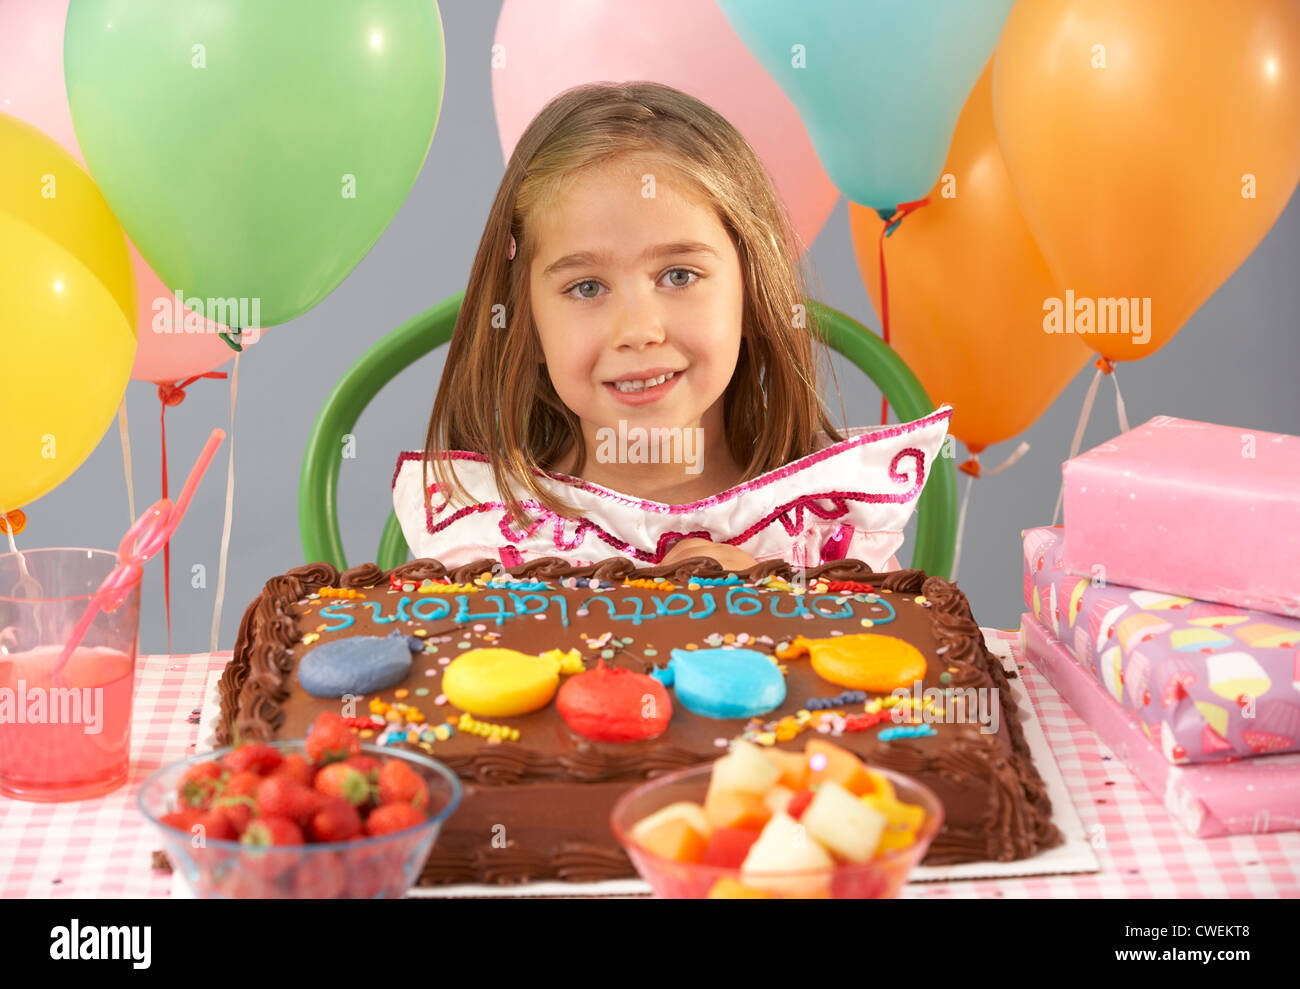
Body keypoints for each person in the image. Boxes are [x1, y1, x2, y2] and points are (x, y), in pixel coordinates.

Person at [393, 81, 950, 574]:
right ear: (529, 325)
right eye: (586, 287)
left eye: (679, 275)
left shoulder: (825, 527)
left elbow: (885, 680)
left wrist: (777, 607)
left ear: (751, 295)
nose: (638, 330)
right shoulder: (484, 538)